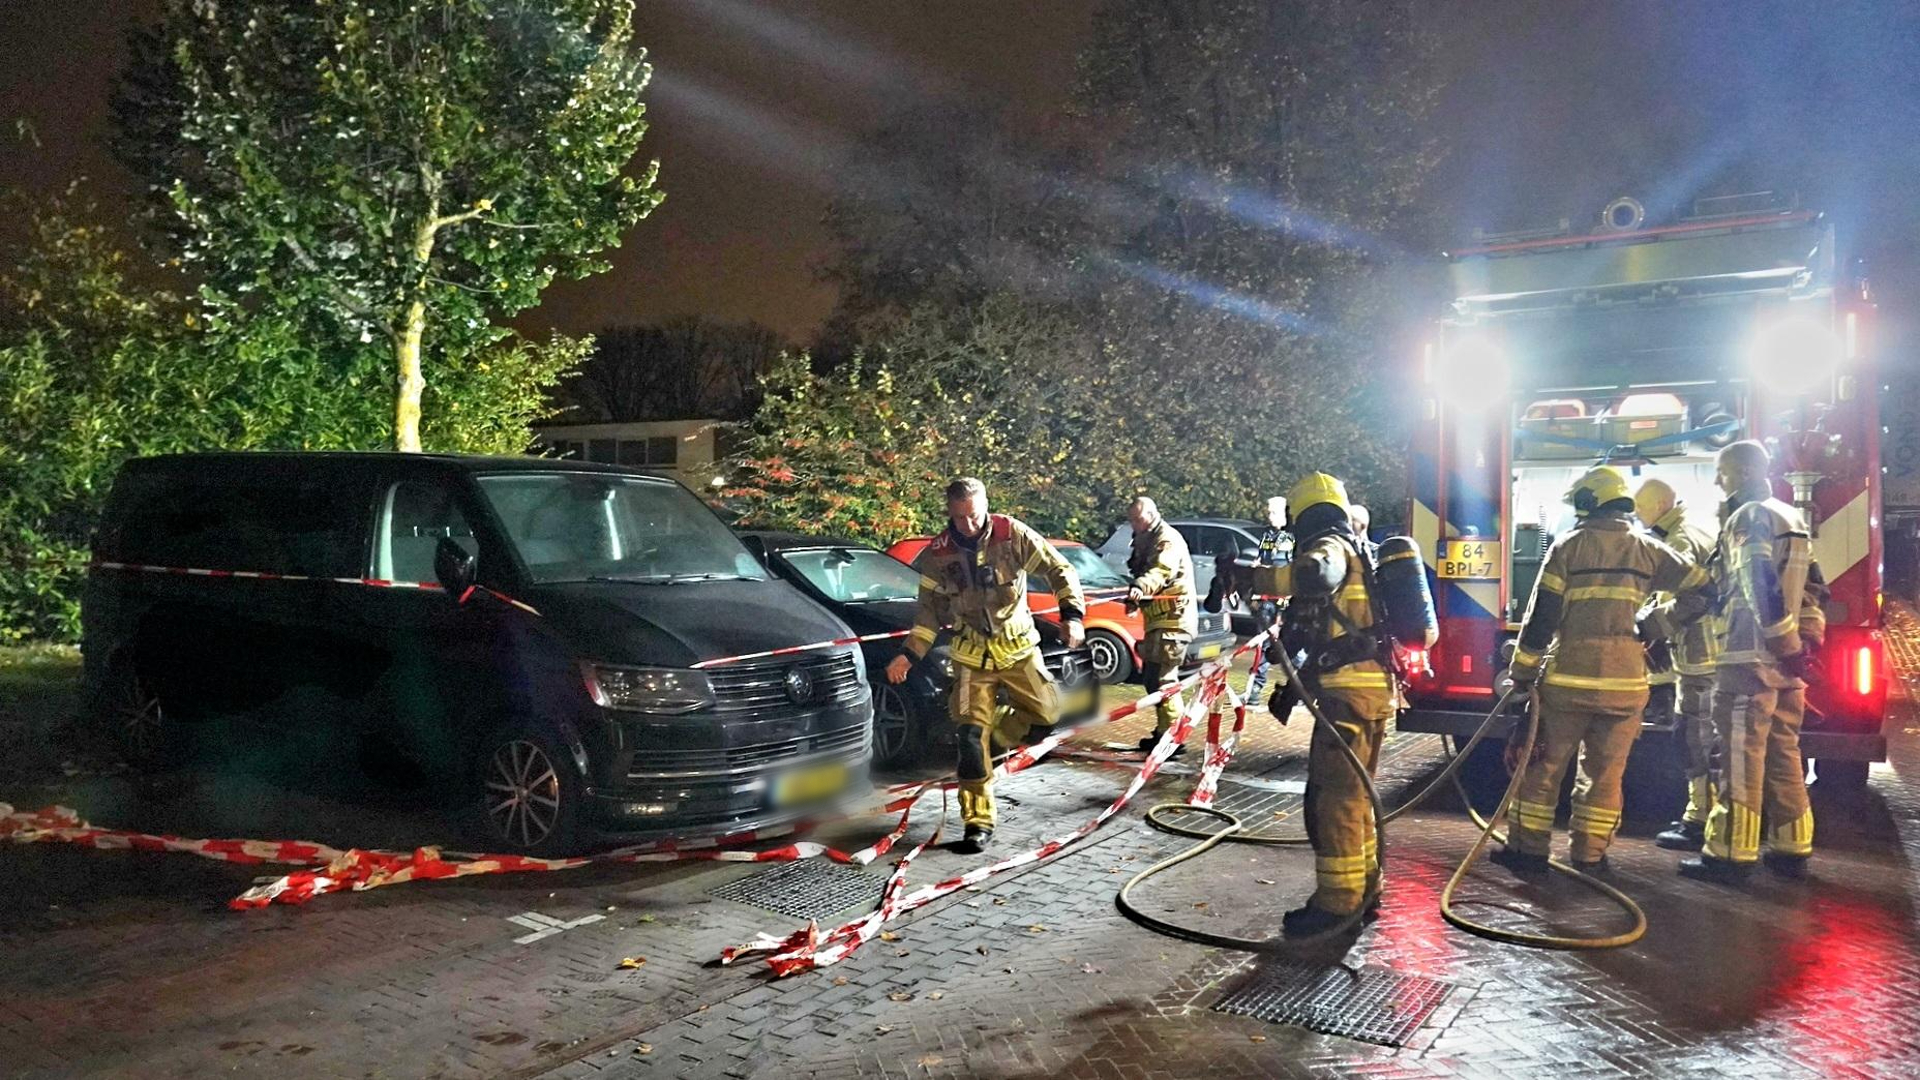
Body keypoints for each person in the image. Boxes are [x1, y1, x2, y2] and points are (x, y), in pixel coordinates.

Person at [1497, 465, 1707, 874]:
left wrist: (1523, 674)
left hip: (1568, 683)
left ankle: (1527, 850)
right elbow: (1704, 588)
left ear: (1587, 503)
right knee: (1605, 775)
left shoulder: (1567, 547)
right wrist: (1656, 623)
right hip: (1626, 685)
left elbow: (1541, 618)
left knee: (1542, 768)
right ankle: (1590, 855)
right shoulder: (1650, 550)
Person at [887, 477, 1085, 854]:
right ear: (949, 513)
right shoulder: (937, 555)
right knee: (968, 738)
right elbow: (928, 615)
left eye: (974, 516)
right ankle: (977, 822)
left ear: (986, 506)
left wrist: (1072, 615)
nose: (968, 526)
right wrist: (909, 655)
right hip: (970, 657)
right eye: (959, 518)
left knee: (1047, 714)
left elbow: (1061, 570)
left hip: (1018, 649)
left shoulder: (1012, 535)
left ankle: (998, 735)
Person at [1676, 441, 1820, 883]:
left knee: (1740, 754)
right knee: (1784, 752)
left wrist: (1783, 643)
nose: (1718, 481)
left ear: (1739, 472)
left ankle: (1729, 854)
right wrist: (1804, 645)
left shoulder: (1748, 517)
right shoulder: (1790, 516)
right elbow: (1814, 589)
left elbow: (1757, 582)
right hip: (1784, 667)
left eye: (1721, 472)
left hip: (1748, 659)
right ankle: (1792, 846)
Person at [1257, 473, 1394, 936]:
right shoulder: (1358, 548)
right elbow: (1316, 637)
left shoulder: (1331, 548)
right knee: (1356, 799)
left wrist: (1254, 577)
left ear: (1306, 516)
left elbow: (1315, 573)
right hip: (1370, 691)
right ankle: (1366, 890)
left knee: (1334, 800)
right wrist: (1292, 689)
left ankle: (1336, 905)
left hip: (1349, 696)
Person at [1633, 477, 1722, 850]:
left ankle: (1705, 822)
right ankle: (1701, 816)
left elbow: (1687, 600)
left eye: (1640, 510)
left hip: (1701, 655)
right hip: (1709, 653)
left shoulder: (1680, 540)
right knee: (1699, 736)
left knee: (1697, 739)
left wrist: (1645, 626)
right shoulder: (1692, 528)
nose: (1637, 518)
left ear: (1658, 506)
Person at [1124, 496, 1199, 755]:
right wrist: (1136, 599)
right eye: (1131, 519)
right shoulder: (1147, 538)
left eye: (1138, 518)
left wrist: (1141, 587)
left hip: (1173, 622)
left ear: (1153, 514)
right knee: (1152, 680)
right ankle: (1164, 731)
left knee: (1164, 680)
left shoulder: (1166, 540)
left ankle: (1173, 739)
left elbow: (1161, 570)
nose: (1134, 524)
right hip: (1160, 622)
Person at [1242, 495, 1292, 710]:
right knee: (1262, 644)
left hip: (1286, 601)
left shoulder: (1294, 535)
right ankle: (1255, 689)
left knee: (1291, 647)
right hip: (1266, 599)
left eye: (1272, 512)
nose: (1268, 516)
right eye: (1267, 512)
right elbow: (1264, 558)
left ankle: (1299, 689)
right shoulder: (1267, 535)